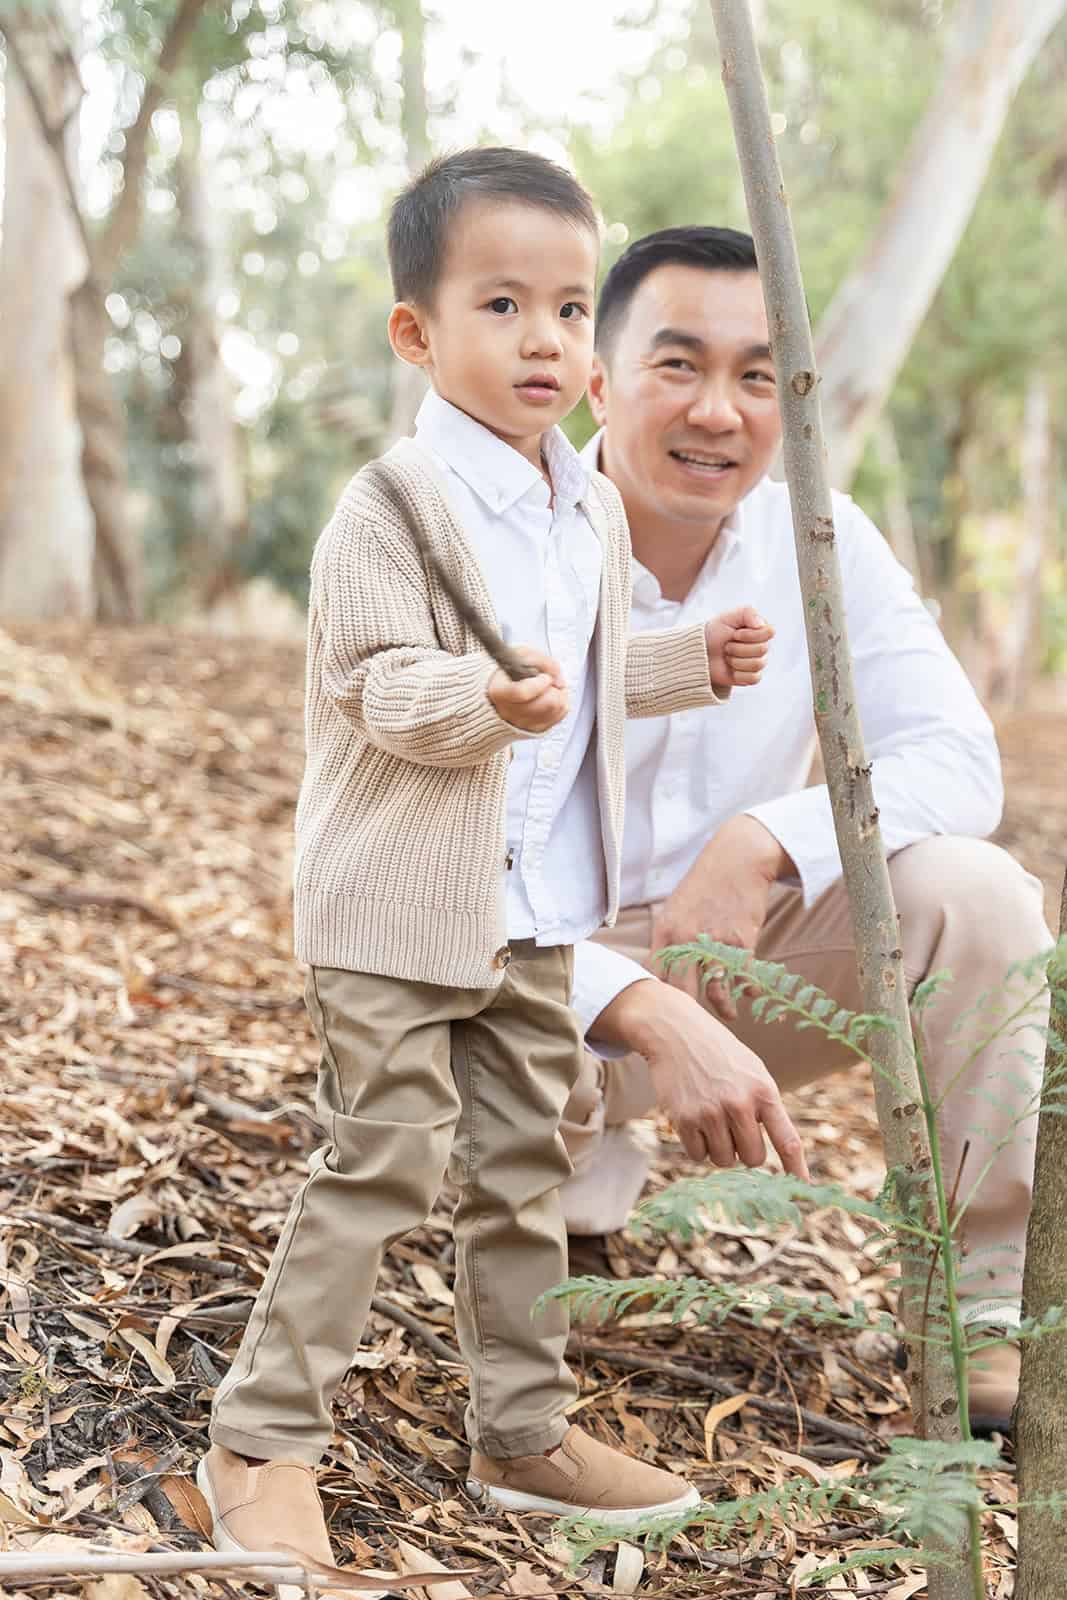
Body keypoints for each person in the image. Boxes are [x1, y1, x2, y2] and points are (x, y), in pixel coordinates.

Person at [196, 159, 778, 1579]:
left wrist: (678, 664)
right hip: (399, 910)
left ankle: (521, 1429)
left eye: (570, 309)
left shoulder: (579, 506)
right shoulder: (387, 509)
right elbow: (375, 686)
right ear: (417, 333)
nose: (544, 340)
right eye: (502, 303)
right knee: (379, 1164)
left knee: (521, 1169)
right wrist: (482, 705)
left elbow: (573, 679)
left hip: (535, 912)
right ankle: (260, 1441)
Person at [557, 225, 1052, 1436]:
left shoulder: (815, 539)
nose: (718, 411)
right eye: (676, 366)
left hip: (747, 946)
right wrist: (643, 1005)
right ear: (597, 378)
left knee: (978, 896)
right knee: (482, 1028)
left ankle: (978, 1309)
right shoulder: (506, 545)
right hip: (531, 977)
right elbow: (441, 886)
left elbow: (957, 756)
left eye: (758, 376)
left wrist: (766, 840)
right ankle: (566, 1215)